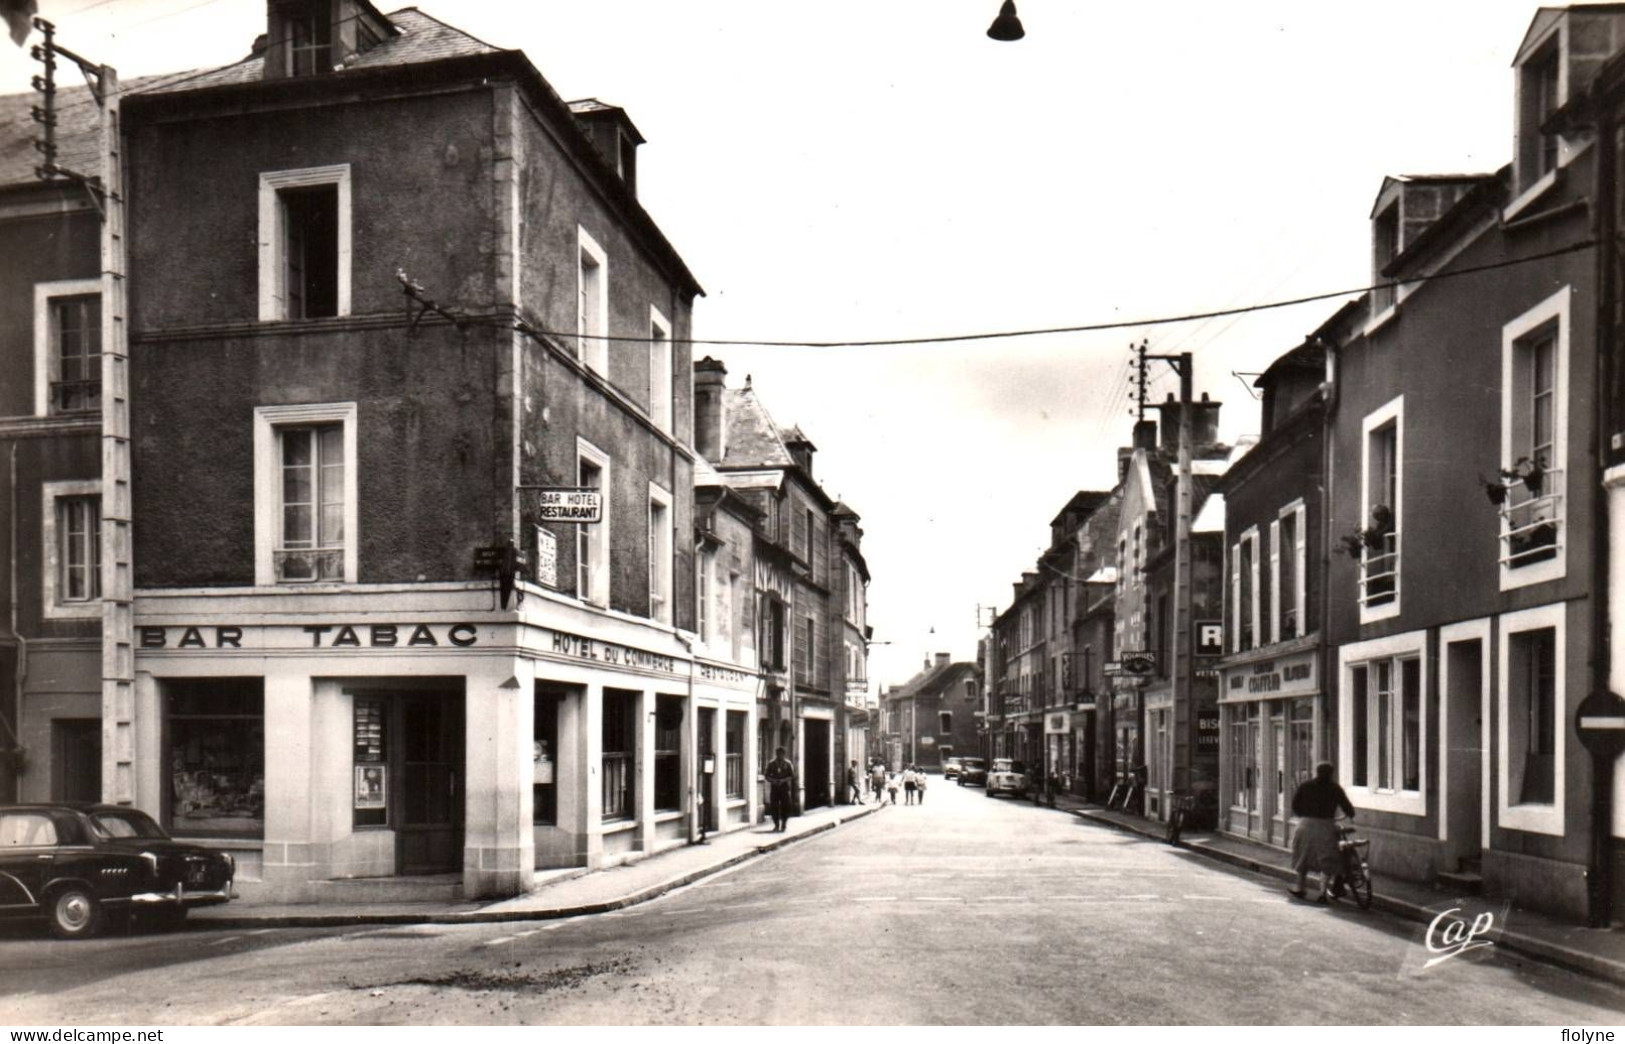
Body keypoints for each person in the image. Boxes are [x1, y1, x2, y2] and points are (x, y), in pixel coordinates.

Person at [1289, 761, 1355, 903]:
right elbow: (1346, 805)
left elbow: (1295, 805)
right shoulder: (1334, 788)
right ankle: (1323, 893)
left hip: (1306, 825)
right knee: (1327, 858)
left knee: (1303, 856)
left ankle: (1300, 888)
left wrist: (1303, 814)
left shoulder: (1305, 786)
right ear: (1331, 774)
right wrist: (1351, 814)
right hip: (1325, 826)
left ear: (1316, 772)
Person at [765, 747, 796, 832]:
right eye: (778, 754)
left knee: (786, 806)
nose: (780, 756)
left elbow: (792, 776)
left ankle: (784, 823)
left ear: (784, 755)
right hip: (775, 788)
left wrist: (783, 780)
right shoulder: (771, 764)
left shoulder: (788, 764)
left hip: (784, 787)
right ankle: (776, 824)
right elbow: (767, 776)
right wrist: (773, 780)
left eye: (781, 754)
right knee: (774, 806)